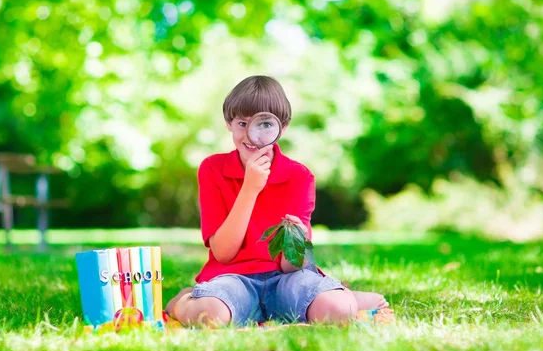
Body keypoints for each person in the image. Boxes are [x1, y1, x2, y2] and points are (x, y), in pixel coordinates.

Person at [165, 75, 392, 327]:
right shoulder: (212, 169)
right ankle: (183, 300)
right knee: (210, 316)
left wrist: (296, 237)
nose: (253, 136)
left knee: (338, 311)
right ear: (229, 123)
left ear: (282, 128)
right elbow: (223, 253)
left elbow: (292, 267)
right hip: (233, 278)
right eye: (242, 123)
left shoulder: (299, 176)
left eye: (264, 125)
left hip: (286, 280)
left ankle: (341, 296)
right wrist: (250, 188)